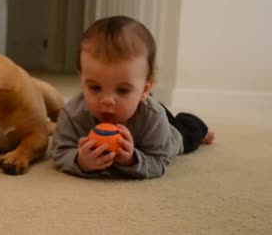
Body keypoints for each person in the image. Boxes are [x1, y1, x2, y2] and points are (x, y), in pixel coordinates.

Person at [51, 15, 214, 179]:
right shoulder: (72, 114)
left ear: (145, 89)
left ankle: (200, 128)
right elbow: (59, 152)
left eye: (122, 90)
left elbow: (159, 162)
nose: (107, 100)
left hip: (159, 124)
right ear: (82, 81)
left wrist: (131, 160)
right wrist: (80, 161)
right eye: (95, 88)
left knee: (185, 137)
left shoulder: (153, 117)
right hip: (141, 108)